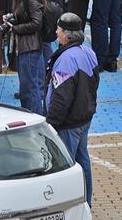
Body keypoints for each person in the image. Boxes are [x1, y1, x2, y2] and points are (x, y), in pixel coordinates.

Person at [45, 12, 99, 206]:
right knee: (83, 161)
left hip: (69, 123)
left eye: (58, 30)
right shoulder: (88, 52)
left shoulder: (66, 59)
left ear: (66, 35)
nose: (56, 32)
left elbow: (61, 97)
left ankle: (69, 207)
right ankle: (86, 202)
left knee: (65, 166)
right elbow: (94, 84)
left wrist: (51, 124)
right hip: (85, 118)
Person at [7, 0, 46, 113]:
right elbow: (25, 16)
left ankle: (35, 117)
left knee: (30, 88)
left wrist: (16, 28)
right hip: (25, 46)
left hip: (30, 47)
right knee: (26, 87)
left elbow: (37, 23)